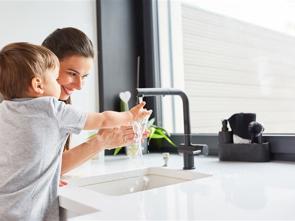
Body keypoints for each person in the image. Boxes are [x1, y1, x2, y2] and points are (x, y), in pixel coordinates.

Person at [0, 42, 151, 220]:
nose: (79, 85)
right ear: (38, 84)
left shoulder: (5, 110)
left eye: (85, 76)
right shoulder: (51, 109)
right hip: (29, 213)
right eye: (65, 75)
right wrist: (129, 115)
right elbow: (103, 119)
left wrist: (47, 175)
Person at [41, 27, 135, 178]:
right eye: (72, 73)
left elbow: (53, 167)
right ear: (47, 65)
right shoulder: (13, 105)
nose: (79, 86)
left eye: (84, 76)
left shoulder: (58, 105)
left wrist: (101, 142)